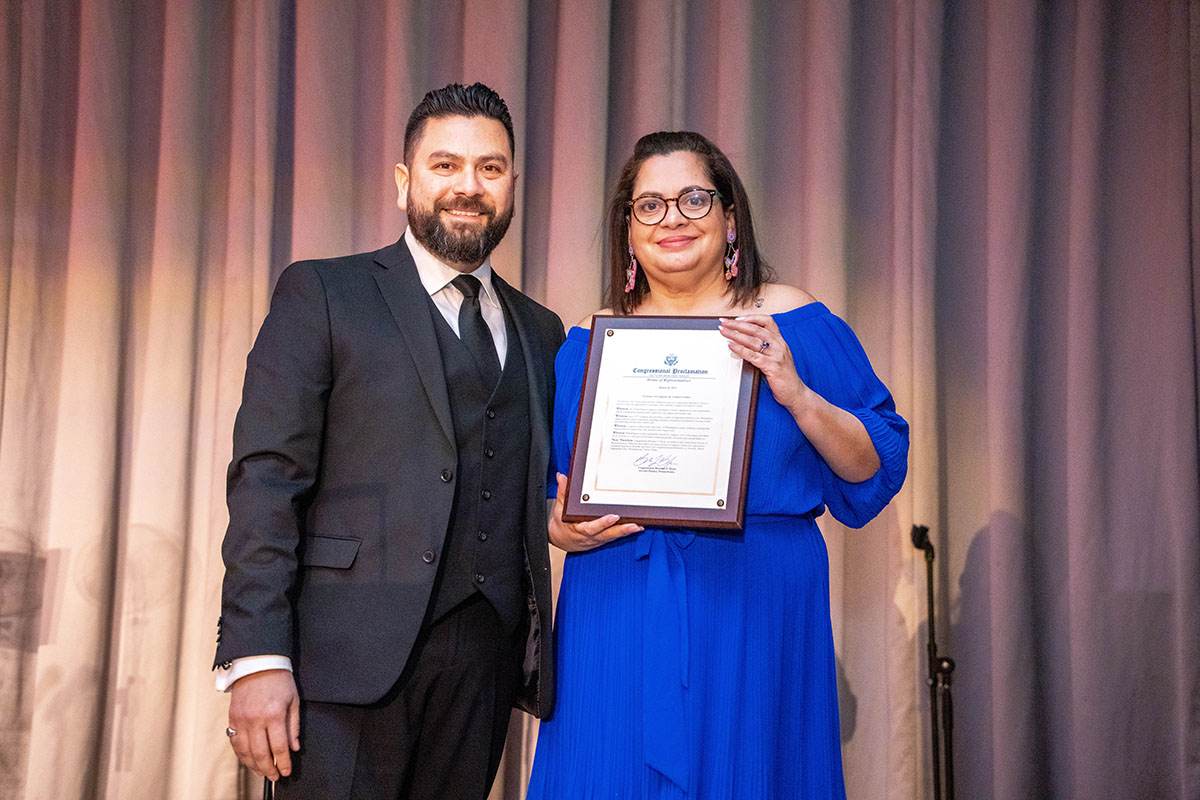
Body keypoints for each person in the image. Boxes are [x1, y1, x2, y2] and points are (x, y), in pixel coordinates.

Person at [525, 131, 909, 799]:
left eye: (694, 199)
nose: (671, 218)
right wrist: (557, 527)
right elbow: (545, 492)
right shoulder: (585, 344)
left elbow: (872, 465)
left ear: (730, 217)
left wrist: (795, 391)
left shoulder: (793, 321)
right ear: (628, 227)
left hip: (756, 601)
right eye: (650, 205)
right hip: (615, 601)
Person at [213, 82, 564, 800]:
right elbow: (266, 480)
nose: (468, 186)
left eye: (490, 169)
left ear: (512, 186)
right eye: (445, 164)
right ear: (404, 181)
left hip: (484, 666)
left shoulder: (542, 330)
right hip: (343, 664)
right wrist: (255, 657)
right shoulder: (323, 293)